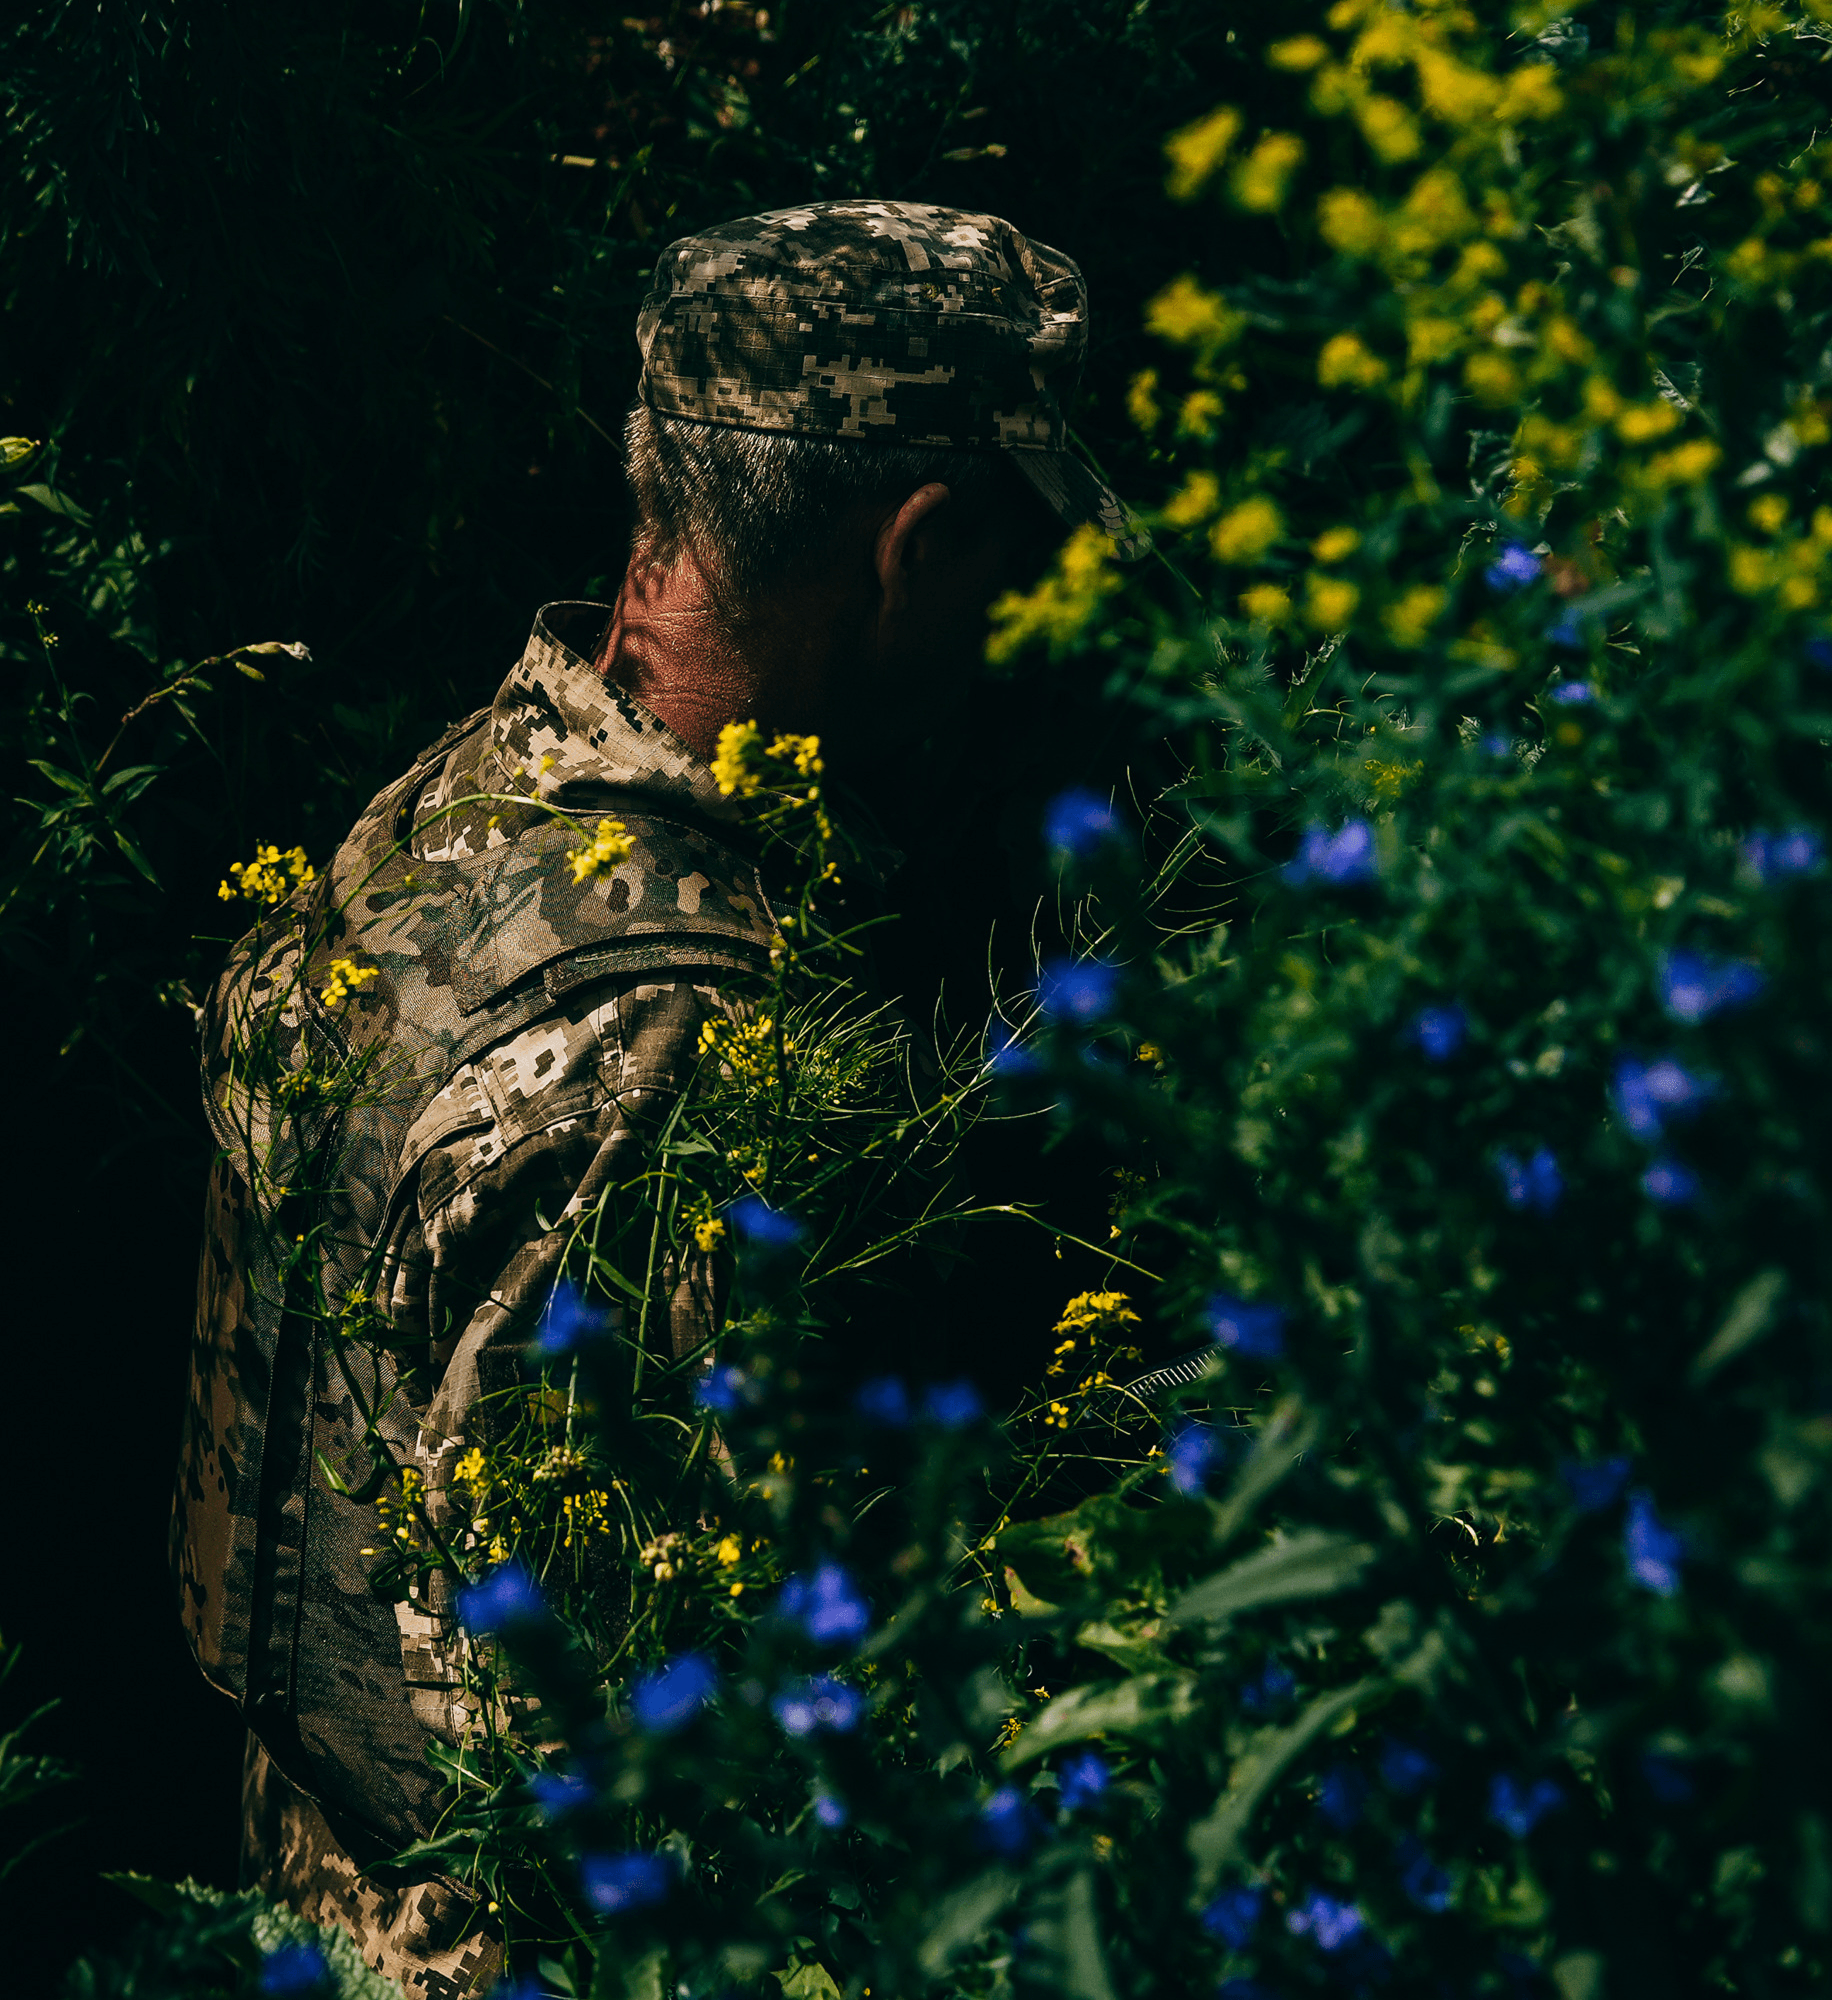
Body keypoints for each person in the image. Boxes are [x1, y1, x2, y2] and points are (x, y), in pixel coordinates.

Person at [169, 199, 1129, 1998]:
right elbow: (601, 1731)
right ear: (915, 550)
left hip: (297, 1891)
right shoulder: (670, 1040)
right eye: (1015, 561)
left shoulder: (436, 814)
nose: (1030, 622)